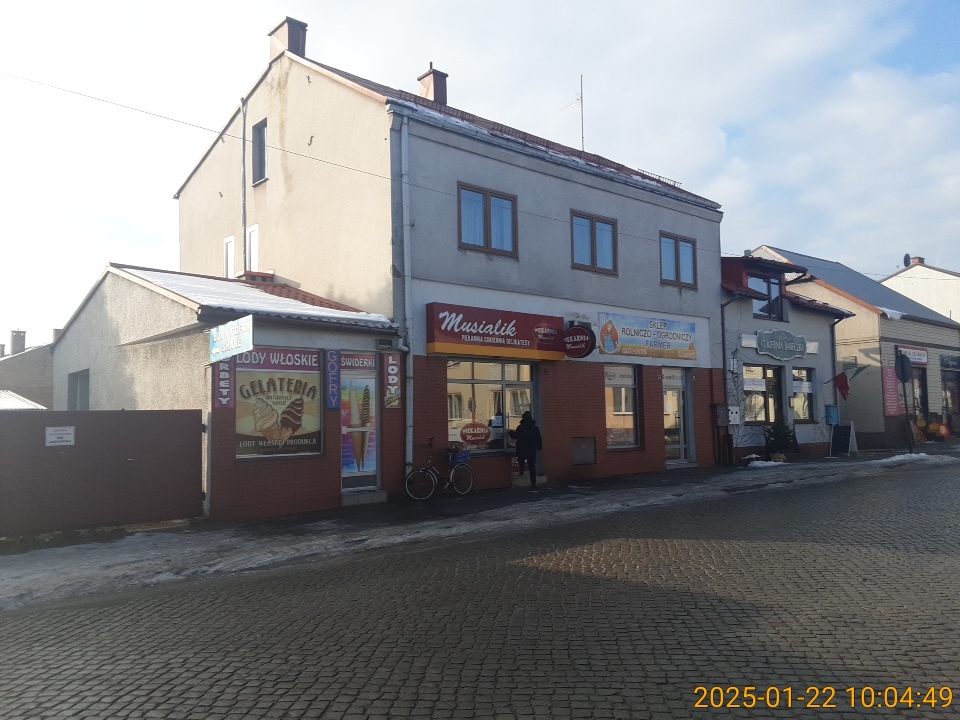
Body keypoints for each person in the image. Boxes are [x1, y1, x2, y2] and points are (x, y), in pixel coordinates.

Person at [509, 411, 543, 489]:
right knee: (531, 466)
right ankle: (533, 483)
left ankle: (522, 469)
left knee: (521, 459)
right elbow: (538, 439)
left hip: (522, 448)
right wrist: (539, 447)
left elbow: (516, 436)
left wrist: (510, 432)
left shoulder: (521, 427)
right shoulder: (535, 428)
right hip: (531, 449)